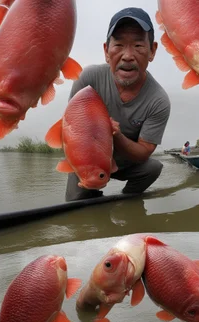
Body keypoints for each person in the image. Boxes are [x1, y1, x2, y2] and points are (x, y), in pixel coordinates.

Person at [66, 7, 171, 201]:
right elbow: (71, 129)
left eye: (138, 45)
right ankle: (89, 197)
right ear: (106, 51)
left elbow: (143, 153)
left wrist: (116, 135)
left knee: (153, 168)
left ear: (152, 51)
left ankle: (127, 201)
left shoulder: (158, 100)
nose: (128, 56)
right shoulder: (88, 79)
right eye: (119, 45)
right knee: (77, 206)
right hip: (88, 160)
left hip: (126, 164)